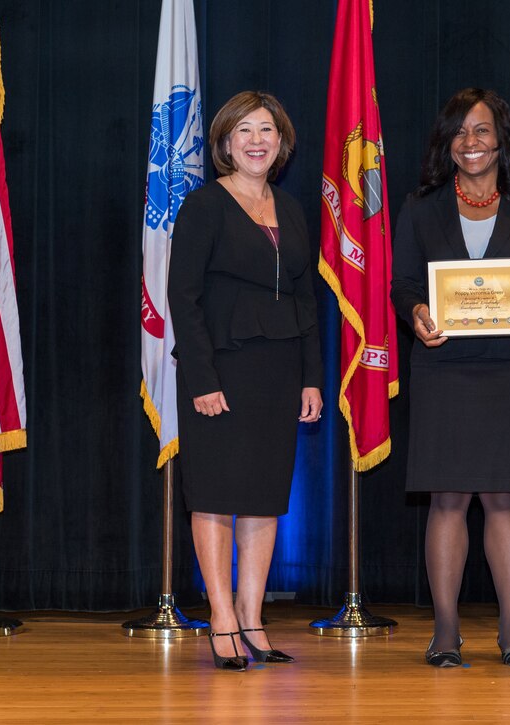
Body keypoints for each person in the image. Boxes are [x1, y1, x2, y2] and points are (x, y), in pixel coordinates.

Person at [391, 88, 510, 668]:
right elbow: (405, 285)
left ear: (501, 139)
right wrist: (415, 314)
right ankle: (445, 631)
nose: (471, 143)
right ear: (448, 142)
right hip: (443, 368)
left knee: (505, 500)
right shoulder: (419, 206)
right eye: (460, 132)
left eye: (482, 130)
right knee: (447, 500)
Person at [168, 91, 323, 671]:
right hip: (221, 371)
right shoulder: (204, 206)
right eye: (245, 131)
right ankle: (222, 619)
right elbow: (183, 298)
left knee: (263, 499)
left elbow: (306, 299)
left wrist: (312, 378)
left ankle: (253, 618)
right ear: (225, 143)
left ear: (281, 143)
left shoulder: (293, 208)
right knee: (213, 496)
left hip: (279, 373)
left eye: (267, 130)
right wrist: (202, 378)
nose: (257, 140)